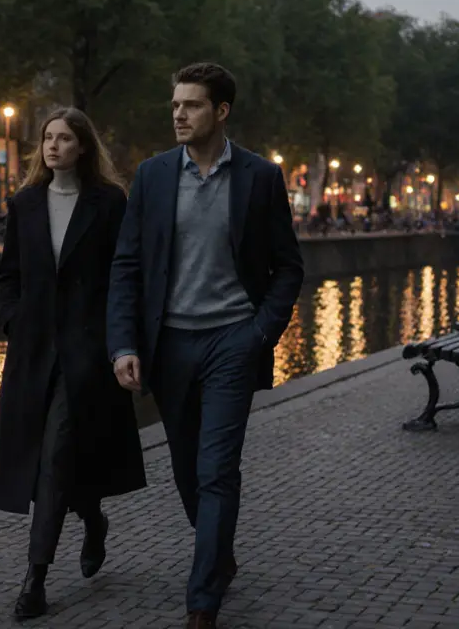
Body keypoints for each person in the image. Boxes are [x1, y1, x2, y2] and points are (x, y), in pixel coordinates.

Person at [107, 62, 305, 629]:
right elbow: (127, 266)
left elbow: (287, 266)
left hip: (231, 343)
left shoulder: (260, 177)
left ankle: (202, 603)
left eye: (191, 105)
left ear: (221, 112)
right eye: (174, 104)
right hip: (168, 344)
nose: (178, 114)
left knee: (217, 469)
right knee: (186, 469)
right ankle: (219, 555)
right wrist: (123, 343)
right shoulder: (151, 176)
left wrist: (260, 332)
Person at [0, 106, 146, 620]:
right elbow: (9, 274)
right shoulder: (26, 203)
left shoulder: (108, 203)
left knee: (55, 457)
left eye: (64, 138)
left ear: (83, 146)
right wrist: (14, 320)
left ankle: (33, 581)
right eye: (47, 138)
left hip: (86, 353)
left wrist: (117, 340)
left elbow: (124, 274)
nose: (53, 146)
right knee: (51, 459)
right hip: (33, 352)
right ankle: (93, 518)